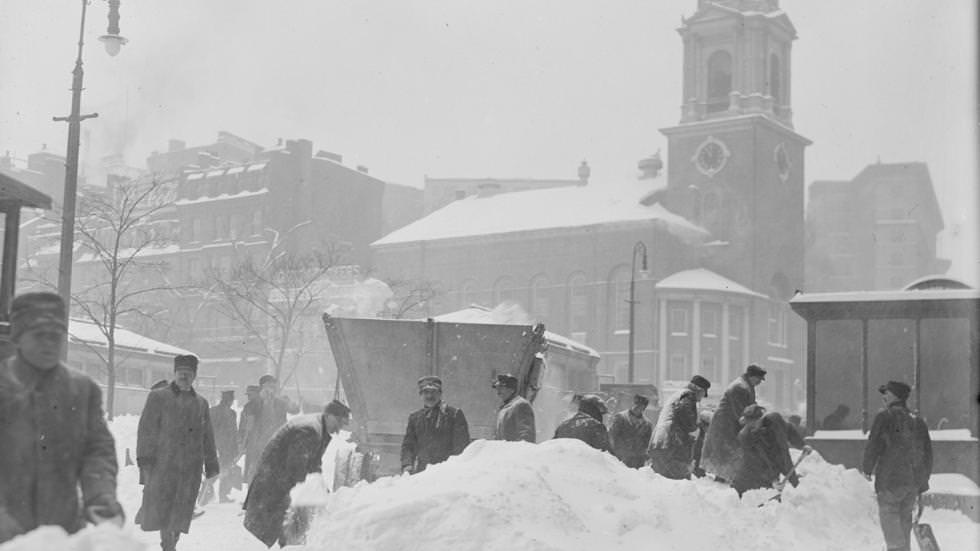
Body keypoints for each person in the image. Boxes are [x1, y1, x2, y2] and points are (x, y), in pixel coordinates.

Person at [0, 292, 122, 543]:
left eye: (56, 336)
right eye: (39, 335)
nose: (49, 343)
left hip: (62, 534)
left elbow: (97, 451)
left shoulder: (82, 390)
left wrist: (101, 499)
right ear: (18, 337)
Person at [137, 354, 219, 551]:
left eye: (189, 373)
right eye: (181, 373)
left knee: (182, 511)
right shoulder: (158, 397)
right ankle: (168, 545)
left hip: (190, 468)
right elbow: (146, 430)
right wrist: (145, 461)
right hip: (163, 465)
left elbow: (207, 435)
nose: (185, 376)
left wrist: (212, 464)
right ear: (174, 374)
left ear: (194, 376)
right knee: (165, 509)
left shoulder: (201, 403)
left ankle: (172, 542)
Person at [243, 400, 351, 548]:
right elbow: (297, 465)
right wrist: (301, 492)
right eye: (338, 421)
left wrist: (321, 487)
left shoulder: (318, 427)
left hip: (280, 479)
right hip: (275, 480)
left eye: (343, 424)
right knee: (284, 523)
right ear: (328, 415)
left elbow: (313, 463)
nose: (339, 427)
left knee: (286, 525)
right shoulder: (309, 430)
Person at [862, 381, 932, 551]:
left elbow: (874, 444)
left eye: (886, 393)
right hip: (911, 483)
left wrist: (867, 468)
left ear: (895, 396)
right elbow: (928, 453)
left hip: (890, 481)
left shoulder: (884, 417)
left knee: (892, 529)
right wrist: (922, 481)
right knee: (904, 525)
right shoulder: (918, 421)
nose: (884, 396)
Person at [701, 364, 766, 482]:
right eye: (759, 379)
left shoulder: (746, 385)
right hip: (725, 424)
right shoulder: (740, 387)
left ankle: (727, 477)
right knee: (727, 451)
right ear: (752, 376)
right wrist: (751, 425)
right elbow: (741, 411)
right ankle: (723, 479)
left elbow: (751, 405)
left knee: (728, 451)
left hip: (731, 422)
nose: (760, 382)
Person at [401, 376, 471, 474]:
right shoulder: (415, 418)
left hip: (446, 473)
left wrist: (455, 470)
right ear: (421, 394)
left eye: (433, 392)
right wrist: (407, 464)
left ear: (440, 394)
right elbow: (408, 445)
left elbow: (461, 447)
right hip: (422, 474)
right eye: (426, 392)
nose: (430, 396)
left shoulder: (453, 415)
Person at [649, 375, 711, 478]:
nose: (702, 398)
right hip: (670, 444)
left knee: (663, 479)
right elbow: (686, 417)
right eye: (704, 393)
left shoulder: (680, 394)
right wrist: (696, 426)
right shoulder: (688, 396)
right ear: (699, 390)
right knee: (677, 479)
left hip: (661, 442)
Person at [731, 406, 798, 497]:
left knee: (775, 495)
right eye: (750, 423)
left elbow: (788, 429)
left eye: (756, 422)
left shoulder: (774, 422)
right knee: (738, 493)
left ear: (761, 419)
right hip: (752, 470)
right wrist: (772, 479)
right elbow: (756, 460)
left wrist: (802, 445)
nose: (753, 425)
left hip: (773, 462)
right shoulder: (745, 436)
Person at [200, 390, 239, 505]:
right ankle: (207, 495)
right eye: (230, 400)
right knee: (219, 472)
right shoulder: (220, 412)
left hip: (222, 447)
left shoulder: (227, 412)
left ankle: (216, 495)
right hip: (221, 447)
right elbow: (210, 429)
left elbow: (233, 431)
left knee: (222, 471)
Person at [253, 375, 300, 458]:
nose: (272, 389)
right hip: (262, 439)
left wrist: (296, 404)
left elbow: (294, 410)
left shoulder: (281, 401)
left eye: (273, 386)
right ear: (262, 387)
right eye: (269, 386)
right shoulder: (257, 401)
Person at [609, 394, 654, 468]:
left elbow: (648, 443)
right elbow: (612, 436)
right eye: (636, 405)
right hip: (621, 459)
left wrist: (645, 456)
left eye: (641, 407)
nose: (637, 408)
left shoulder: (647, 424)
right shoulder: (621, 417)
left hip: (638, 461)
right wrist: (614, 453)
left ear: (644, 408)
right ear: (632, 404)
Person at [492, 373, 536, 443]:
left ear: (511, 390)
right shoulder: (504, 408)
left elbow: (526, 437)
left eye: (501, 388)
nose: (498, 392)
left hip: (514, 452)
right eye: (497, 388)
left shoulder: (521, 405)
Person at [240, 384, 263, 482]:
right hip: (255, 439)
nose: (248, 397)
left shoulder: (252, 406)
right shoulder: (250, 406)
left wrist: (243, 440)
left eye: (250, 394)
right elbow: (243, 424)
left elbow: (248, 426)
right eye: (248, 395)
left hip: (254, 439)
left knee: (253, 463)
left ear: (257, 394)